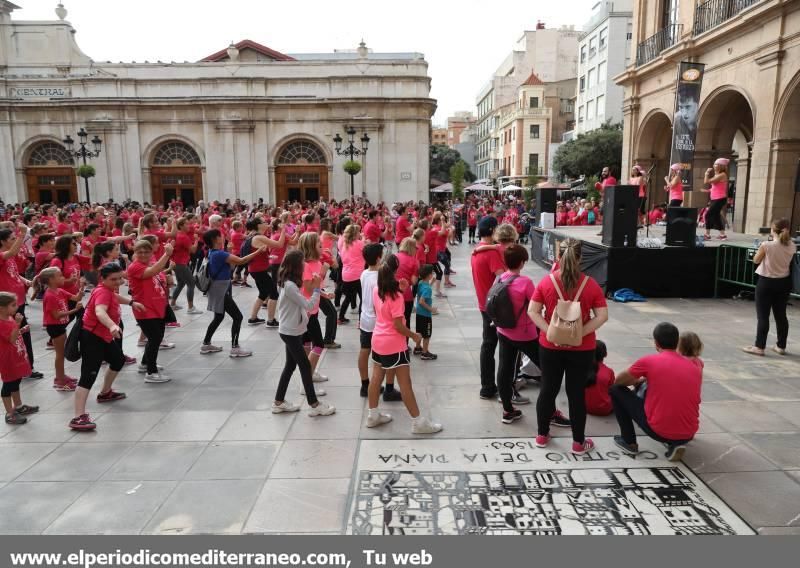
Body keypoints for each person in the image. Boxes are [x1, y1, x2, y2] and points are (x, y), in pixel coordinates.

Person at [528, 238, 609, 455]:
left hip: (550, 346)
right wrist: (578, 333)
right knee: (576, 394)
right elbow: (602, 315)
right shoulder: (591, 284)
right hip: (582, 349)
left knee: (547, 390)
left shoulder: (546, 282)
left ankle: (542, 435)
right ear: (581, 258)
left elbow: (532, 311)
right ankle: (578, 443)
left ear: (558, 257)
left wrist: (551, 331)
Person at [365, 255, 442, 434]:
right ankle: (418, 422)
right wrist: (414, 336)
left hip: (378, 340)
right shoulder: (397, 297)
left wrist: (401, 289)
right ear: (395, 274)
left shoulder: (377, 289)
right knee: (405, 383)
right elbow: (398, 325)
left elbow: (381, 312)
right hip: (394, 344)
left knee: (376, 378)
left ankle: (373, 415)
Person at [610, 322, 701, 462]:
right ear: (677, 342)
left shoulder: (649, 361)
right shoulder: (695, 365)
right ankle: (675, 443)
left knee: (615, 390)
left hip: (658, 431)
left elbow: (619, 381)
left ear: (656, 343)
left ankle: (629, 442)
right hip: (689, 432)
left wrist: (636, 380)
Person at [70, 263, 144, 431]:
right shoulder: (103, 291)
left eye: (120, 278)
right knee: (88, 375)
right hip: (92, 338)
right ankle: (77, 417)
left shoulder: (105, 289)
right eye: (113, 279)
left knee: (117, 361)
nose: (118, 282)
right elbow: (100, 312)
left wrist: (132, 302)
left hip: (103, 337)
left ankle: (105, 393)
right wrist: (112, 326)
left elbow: (114, 297)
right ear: (102, 278)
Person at [272, 250, 335, 417]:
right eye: (302, 264)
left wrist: (318, 289)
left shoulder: (290, 282)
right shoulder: (290, 286)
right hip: (290, 332)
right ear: (296, 266)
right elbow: (308, 305)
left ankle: (278, 402)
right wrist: (316, 289)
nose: (304, 266)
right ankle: (314, 405)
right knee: (305, 366)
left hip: (293, 329)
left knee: (290, 366)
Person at [494, 244, 541, 425]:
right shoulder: (526, 283)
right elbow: (536, 306)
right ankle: (550, 411)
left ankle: (507, 410)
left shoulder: (499, 279)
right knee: (547, 367)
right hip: (525, 334)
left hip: (503, 331)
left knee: (504, 369)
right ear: (521, 263)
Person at [200, 229, 265, 357]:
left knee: (219, 317)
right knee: (238, 317)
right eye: (220, 236)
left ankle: (206, 344)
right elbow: (241, 261)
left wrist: (228, 251)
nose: (223, 236)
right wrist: (258, 251)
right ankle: (235, 347)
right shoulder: (219, 254)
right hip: (220, 290)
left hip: (219, 288)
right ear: (215, 239)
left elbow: (230, 267)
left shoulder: (214, 253)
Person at [743, 218, 796, 356]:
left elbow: (756, 260)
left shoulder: (767, 245)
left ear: (773, 230)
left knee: (763, 316)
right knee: (781, 315)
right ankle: (781, 346)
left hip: (766, 282)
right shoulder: (792, 245)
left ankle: (759, 346)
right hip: (783, 282)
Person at [358, 243, 400, 401]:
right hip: (379, 321)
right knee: (390, 354)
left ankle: (364, 384)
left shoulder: (364, 274)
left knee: (364, 350)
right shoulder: (380, 277)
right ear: (378, 258)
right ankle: (389, 387)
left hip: (365, 319)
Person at [127, 240, 173, 382]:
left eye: (146, 251)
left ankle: (145, 363)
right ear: (134, 253)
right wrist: (167, 255)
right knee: (154, 338)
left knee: (156, 337)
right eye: (139, 252)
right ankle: (151, 373)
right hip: (145, 310)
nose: (143, 254)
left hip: (158, 307)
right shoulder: (135, 267)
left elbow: (157, 275)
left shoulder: (149, 263)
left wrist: (167, 276)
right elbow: (152, 272)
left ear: (151, 252)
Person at [471, 216, 505, 400]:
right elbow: (504, 278)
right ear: (492, 230)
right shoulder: (491, 254)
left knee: (488, 344)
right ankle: (494, 386)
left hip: (484, 303)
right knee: (500, 346)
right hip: (495, 306)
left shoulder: (477, 250)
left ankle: (488, 386)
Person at [39, 267, 84, 391]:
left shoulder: (59, 290)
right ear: (51, 280)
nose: (63, 278)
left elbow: (77, 298)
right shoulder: (50, 295)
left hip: (60, 325)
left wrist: (81, 287)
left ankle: (62, 376)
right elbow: (56, 315)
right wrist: (74, 310)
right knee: (60, 354)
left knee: (61, 353)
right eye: (60, 276)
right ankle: (59, 380)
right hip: (54, 326)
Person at [0, 292, 37, 425]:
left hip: (17, 355)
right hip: (8, 359)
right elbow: (11, 338)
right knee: (8, 385)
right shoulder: (2, 322)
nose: (16, 307)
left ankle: (19, 406)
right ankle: (10, 413)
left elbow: (12, 335)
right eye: (13, 305)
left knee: (16, 381)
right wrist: (17, 324)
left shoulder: (9, 318)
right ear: (2, 308)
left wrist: (21, 330)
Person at [246, 218, 286, 325]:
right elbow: (279, 245)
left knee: (263, 293)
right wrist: (283, 231)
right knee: (274, 294)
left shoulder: (252, 235)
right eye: (264, 222)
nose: (266, 223)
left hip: (255, 269)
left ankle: (253, 318)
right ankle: (271, 320)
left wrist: (268, 256)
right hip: (259, 270)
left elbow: (258, 252)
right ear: (258, 225)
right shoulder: (260, 237)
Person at [170, 217, 202, 314]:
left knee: (181, 283)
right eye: (187, 224)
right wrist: (196, 240)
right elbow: (192, 250)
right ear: (181, 226)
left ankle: (173, 304)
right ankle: (190, 308)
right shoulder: (183, 236)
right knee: (191, 283)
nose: (189, 226)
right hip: (181, 263)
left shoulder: (178, 235)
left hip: (176, 263)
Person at [337, 224, 364, 323]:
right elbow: (366, 253)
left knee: (348, 297)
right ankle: (361, 321)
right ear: (355, 233)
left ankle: (340, 317)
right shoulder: (359, 243)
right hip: (358, 274)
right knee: (363, 298)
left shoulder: (344, 244)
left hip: (346, 275)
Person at [701, 158, 729, 240]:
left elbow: (706, 181)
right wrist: (708, 190)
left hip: (719, 199)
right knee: (716, 216)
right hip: (716, 198)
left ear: (721, 166)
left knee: (708, 215)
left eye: (716, 164)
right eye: (714, 164)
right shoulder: (717, 175)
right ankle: (722, 235)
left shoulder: (722, 175)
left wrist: (706, 173)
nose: (714, 165)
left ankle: (707, 234)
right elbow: (717, 187)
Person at [584, 340, 614, 416]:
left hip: (584, 407)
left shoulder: (582, 369)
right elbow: (612, 390)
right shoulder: (609, 371)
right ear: (606, 354)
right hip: (604, 409)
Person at [415, 264, 438, 360]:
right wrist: (431, 309)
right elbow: (422, 301)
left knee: (419, 332)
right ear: (429, 275)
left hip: (419, 314)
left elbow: (424, 290)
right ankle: (425, 353)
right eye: (432, 273)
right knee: (427, 335)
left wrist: (431, 283)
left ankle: (417, 348)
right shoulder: (427, 289)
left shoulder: (421, 283)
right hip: (426, 315)